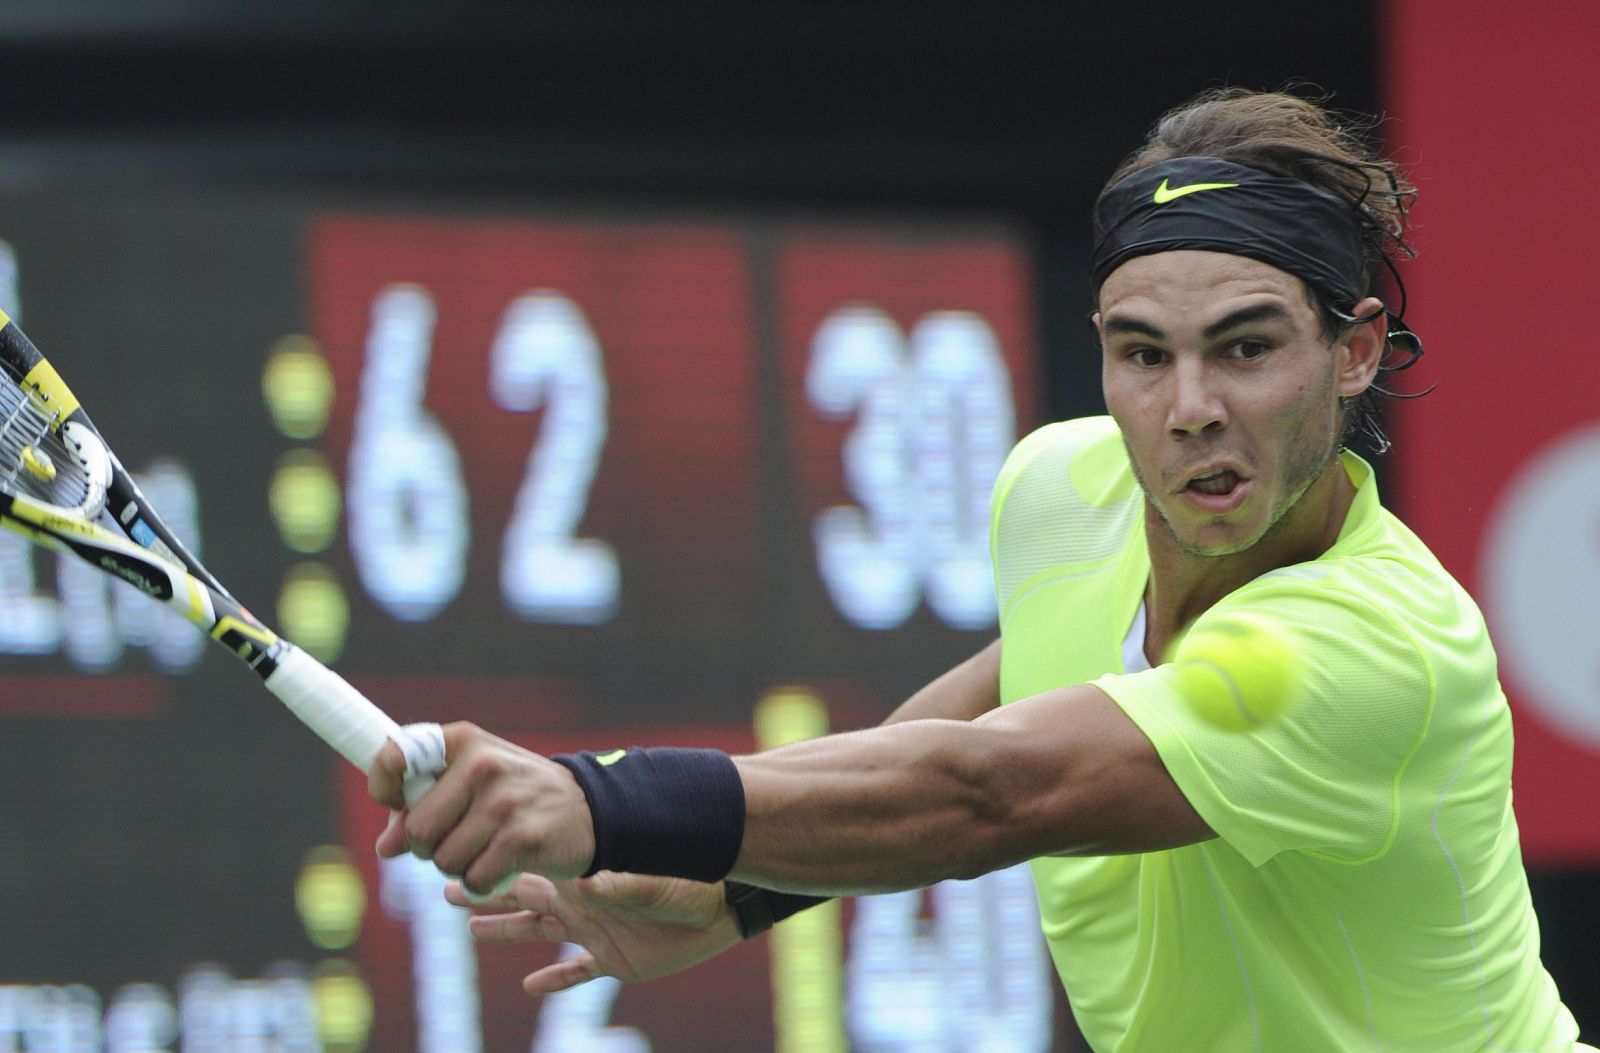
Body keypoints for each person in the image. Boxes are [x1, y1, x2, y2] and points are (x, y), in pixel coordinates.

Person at [369, 88, 1590, 1050]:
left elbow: (988, 793)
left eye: (1247, 347)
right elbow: (1018, 681)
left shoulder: (1375, 648)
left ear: (1356, 350)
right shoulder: (1063, 487)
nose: (1190, 409)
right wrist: (738, 891)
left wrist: (607, 800)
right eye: (1141, 355)